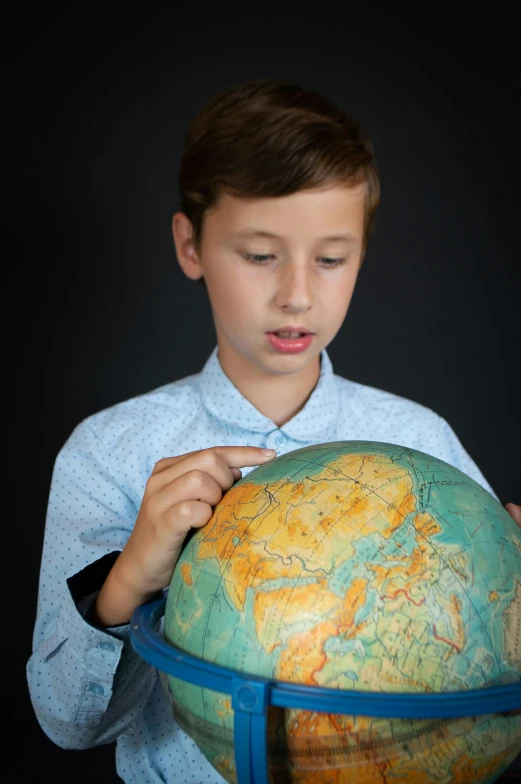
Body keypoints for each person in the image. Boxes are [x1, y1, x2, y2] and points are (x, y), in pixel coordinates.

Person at [27, 78, 521, 784]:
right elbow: (69, 726)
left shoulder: (420, 442)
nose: (296, 293)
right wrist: (124, 583)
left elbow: (488, 702)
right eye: (260, 255)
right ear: (189, 244)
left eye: (330, 257)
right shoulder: (108, 453)